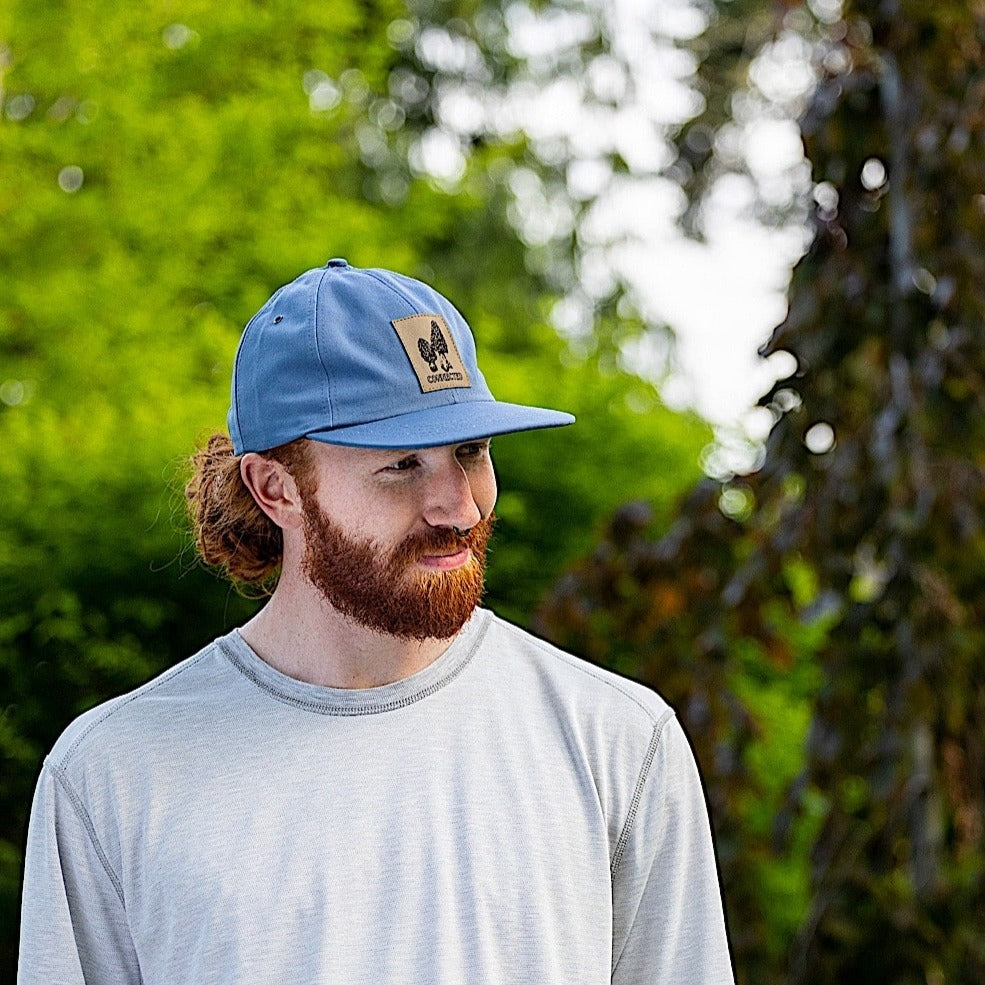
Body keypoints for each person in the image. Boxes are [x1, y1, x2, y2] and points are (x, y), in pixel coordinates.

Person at [18, 259, 734, 984]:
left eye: (471, 451)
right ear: (275, 487)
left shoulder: (617, 741)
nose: (458, 506)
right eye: (401, 464)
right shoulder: (115, 774)